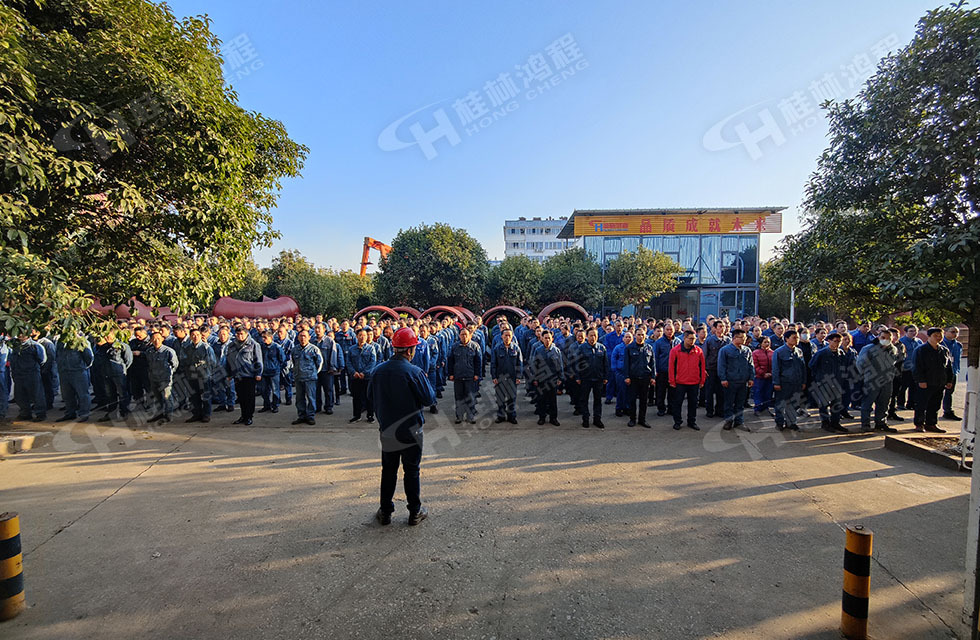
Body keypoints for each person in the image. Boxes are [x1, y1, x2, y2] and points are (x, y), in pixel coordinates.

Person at [369, 327, 437, 526]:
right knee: (412, 470)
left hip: (388, 430)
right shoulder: (414, 372)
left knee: (388, 470)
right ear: (409, 350)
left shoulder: (378, 371)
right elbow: (429, 399)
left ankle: (385, 511)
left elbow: (369, 398)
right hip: (411, 431)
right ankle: (414, 512)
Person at [855, 327, 899, 433]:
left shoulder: (893, 349)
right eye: (883, 337)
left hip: (887, 380)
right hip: (872, 380)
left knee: (884, 403)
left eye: (888, 338)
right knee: (867, 402)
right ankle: (865, 424)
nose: (886, 340)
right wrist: (866, 375)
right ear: (878, 337)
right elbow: (860, 364)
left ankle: (881, 423)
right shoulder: (868, 348)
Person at [912, 327, 954, 433]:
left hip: (939, 382)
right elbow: (917, 367)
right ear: (929, 336)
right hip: (926, 382)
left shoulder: (944, 350)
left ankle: (931, 423)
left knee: (935, 405)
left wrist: (949, 380)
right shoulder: (921, 350)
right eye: (936, 335)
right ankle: (919, 423)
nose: (938, 338)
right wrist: (921, 380)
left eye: (940, 336)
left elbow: (948, 367)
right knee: (921, 404)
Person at [809, 332, 848, 433]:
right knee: (824, 404)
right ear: (829, 341)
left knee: (837, 403)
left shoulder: (841, 353)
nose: (837, 343)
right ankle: (825, 422)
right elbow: (812, 365)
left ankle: (835, 422)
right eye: (835, 341)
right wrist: (819, 378)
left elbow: (844, 367)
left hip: (837, 382)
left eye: (839, 341)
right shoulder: (821, 353)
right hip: (823, 382)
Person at [225, 325, 263, 426]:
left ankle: (249, 416)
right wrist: (228, 373)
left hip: (249, 375)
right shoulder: (232, 345)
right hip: (237, 375)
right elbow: (228, 360)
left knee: (249, 397)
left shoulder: (253, 344)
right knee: (241, 397)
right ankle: (243, 415)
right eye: (237, 334)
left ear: (246, 334)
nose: (240, 336)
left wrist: (258, 373)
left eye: (242, 334)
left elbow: (258, 360)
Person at [668, 329, 706, 431]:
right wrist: (672, 381)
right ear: (684, 338)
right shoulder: (675, 350)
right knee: (677, 403)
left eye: (694, 339)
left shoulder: (698, 351)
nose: (692, 341)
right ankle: (677, 421)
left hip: (694, 382)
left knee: (693, 403)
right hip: (680, 382)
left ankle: (692, 421)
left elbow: (702, 367)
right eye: (690, 339)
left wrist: (702, 380)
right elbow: (671, 367)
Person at [718, 329, 754, 431]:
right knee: (729, 403)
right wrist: (723, 378)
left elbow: (750, 365)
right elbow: (721, 365)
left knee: (740, 403)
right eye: (742, 337)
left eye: (745, 337)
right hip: (730, 381)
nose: (744, 339)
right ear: (734, 338)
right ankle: (728, 421)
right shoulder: (725, 350)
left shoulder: (747, 350)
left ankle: (739, 421)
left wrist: (751, 378)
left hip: (743, 381)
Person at [771, 330, 806, 431]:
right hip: (784, 382)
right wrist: (776, 382)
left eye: (797, 338)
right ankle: (780, 422)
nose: (796, 340)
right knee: (781, 404)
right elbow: (776, 368)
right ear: (786, 339)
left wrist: (803, 381)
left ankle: (791, 422)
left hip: (796, 382)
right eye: (794, 338)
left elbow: (803, 368)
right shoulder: (779, 352)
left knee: (794, 403)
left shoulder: (799, 351)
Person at [574, 327, 608, 429]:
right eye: (591, 335)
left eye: (595, 335)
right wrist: (578, 377)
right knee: (584, 400)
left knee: (598, 400)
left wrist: (606, 376)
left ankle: (597, 419)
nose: (593, 337)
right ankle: (585, 419)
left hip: (598, 378)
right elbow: (577, 363)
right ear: (587, 337)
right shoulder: (582, 348)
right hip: (586, 378)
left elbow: (605, 364)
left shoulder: (602, 348)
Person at [528, 329, 564, 426]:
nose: (547, 340)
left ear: (552, 339)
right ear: (542, 339)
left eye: (549, 338)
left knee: (553, 400)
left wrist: (560, 378)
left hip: (553, 379)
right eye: (545, 338)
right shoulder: (538, 350)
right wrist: (535, 378)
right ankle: (542, 417)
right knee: (541, 400)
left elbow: (560, 365)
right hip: (541, 379)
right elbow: (534, 365)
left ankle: (553, 418)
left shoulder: (556, 351)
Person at [55, 337, 94, 423]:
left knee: (82, 394)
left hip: (78, 371)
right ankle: (70, 413)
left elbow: (89, 357)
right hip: (64, 371)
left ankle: (84, 414)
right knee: (67, 394)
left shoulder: (81, 341)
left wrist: (82, 367)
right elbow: (57, 354)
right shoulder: (61, 341)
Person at [10, 333, 47, 422]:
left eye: (23, 333)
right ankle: (25, 413)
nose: (20, 335)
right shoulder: (15, 346)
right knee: (20, 395)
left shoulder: (35, 346)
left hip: (32, 374)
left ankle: (40, 414)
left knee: (36, 394)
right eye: (19, 333)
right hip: (18, 374)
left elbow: (42, 360)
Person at [447, 327, 481, 424]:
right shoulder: (455, 347)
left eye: (466, 334)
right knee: (459, 397)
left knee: (470, 397)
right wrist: (451, 374)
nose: (464, 336)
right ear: (459, 336)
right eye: (462, 335)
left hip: (470, 376)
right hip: (458, 376)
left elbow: (478, 361)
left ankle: (470, 416)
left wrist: (477, 374)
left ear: (470, 336)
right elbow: (450, 361)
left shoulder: (475, 346)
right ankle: (459, 416)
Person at [182, 327, 216, 423]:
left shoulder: (206, 347)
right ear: (190, 337)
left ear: (201, 336)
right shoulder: (187, 348)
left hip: (204, 376)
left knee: (205, 396)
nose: (195, 337)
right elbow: (183, 360)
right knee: (194, 396)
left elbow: (212, 362)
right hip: (191, 376)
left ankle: (206, 414)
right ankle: (196, 414)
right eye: (193, 335)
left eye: (197, 335)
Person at [624, 327, 655, 428]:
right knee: (632, 400)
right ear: (635, 335)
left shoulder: (649, 348)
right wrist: (627, 376)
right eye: (638, 335)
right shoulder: (629, 348)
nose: (640, 337)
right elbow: (626, 364)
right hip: (633, 378)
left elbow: (653, 364)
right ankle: (632, 419)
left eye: (642, 335)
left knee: (643, 400)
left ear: (645, 336)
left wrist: (653, 377)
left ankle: (642, 419)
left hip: (645, 377)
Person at [146, 329, 179, 424]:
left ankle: (168, 415)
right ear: (151, 340)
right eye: (154, 339)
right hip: (154, 378)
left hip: (165, 378)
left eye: (158, 338)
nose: (156, 341)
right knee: (157, 397)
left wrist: (169, 374)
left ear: (162, 339)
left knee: (167, 397)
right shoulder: (149, 351)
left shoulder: (168, 351)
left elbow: (175, 365)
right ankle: (159, 413)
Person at [291, 329, 323, 425]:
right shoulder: (295, 349)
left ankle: (310, 416)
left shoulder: (314, 349)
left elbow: (319, 363)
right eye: (301, 336)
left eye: (305, 336)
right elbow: (293, 361)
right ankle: (301, 416)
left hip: (310, 378)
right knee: (299, 398)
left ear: (309, 337)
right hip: (298, 377)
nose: (303, 338)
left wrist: (314, 373)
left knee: (311, 398)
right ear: (298, 337)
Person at [490, 327, 522, 424]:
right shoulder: (497, 348)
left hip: (512, 377)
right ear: (502, 337)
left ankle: (512, 416)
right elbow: (493, 363)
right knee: (500, 398)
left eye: (509, 336)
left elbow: (519, 363)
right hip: (500, 377)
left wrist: (518, 376)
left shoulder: (516, 348)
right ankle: (501, 416)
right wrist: (494, 377)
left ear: (512, 337)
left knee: (512, 397)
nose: (507, 337)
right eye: (505, 336)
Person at [347, 327, 378, 423]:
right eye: (360, 335)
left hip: (367, 377)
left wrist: (364, 373)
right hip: (355, 377)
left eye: (364, 335)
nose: (362, 337)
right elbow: (348, 362)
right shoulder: (351, 349)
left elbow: (373, 362)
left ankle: (370, 415)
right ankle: (357, 415)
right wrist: (354, 372)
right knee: (356, 397)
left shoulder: (371, 348)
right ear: (356, 336)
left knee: (368, 396)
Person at [703, 321, 731, 419]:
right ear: (714, 328)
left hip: (723, 369)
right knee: (709, 391)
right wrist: (704, 369)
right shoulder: (709, 340)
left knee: (721, 391)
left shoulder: (728, 340)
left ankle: (720, 410)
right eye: (720, 326)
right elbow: (704, 355)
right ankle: (709, 410)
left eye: (724, 326)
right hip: (711, 369)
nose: (722, 328)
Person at [653, 324, 679, 416]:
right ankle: (661, 408)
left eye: (671, 329)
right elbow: (655, 357)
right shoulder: (659, 342)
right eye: (667, 329)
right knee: (661, 391)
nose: (669, 331)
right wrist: (655, 371)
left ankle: (671, 408)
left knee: (673, 391)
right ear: (664, 330)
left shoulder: (678, 342)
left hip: (674, 371)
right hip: (662, 371)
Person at [258, 331, 287, 414]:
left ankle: (275, 405)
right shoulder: (261, 347)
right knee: (264, 390)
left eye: (265, 337)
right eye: (262, 337)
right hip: (264, 372)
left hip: (274, 372)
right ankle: (266, 405)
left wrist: (277, 368)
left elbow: (282, 359)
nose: (263, 339)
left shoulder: (277, 347)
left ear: (271, 338)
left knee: (275, 390)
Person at [897, 325, 921, 411]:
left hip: (915, 368)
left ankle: (911, 403)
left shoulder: (919, 341)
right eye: (911, 331)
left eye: (915, 331)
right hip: (904, 368)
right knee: (903, 387)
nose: (913, 333)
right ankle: (900, 403)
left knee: (914, 387)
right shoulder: (901, 341)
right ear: (906, 332)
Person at [941, 326, 963, 421]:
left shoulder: (958, 345)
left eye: (957, 332)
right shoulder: (941, 343)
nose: (955, 334)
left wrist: (956, 369)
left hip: (953, 371)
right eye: (953, 332)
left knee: (949, 392)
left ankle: (948, 411)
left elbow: (958, 358)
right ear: (945, 332)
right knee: (937, 392)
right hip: (942, 372)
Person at [752, 336, 774, 416]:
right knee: (758, 393)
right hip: (759, 377)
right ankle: (758, 409)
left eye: (768, 342)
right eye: (765, 342)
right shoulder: (755, 353)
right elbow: (755, 365)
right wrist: (763, 373)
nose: (767, 344)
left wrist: (771, 373)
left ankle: (766, 408)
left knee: (768, 394)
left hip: (770, 377)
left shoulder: (773, 353)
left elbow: (775, 365)